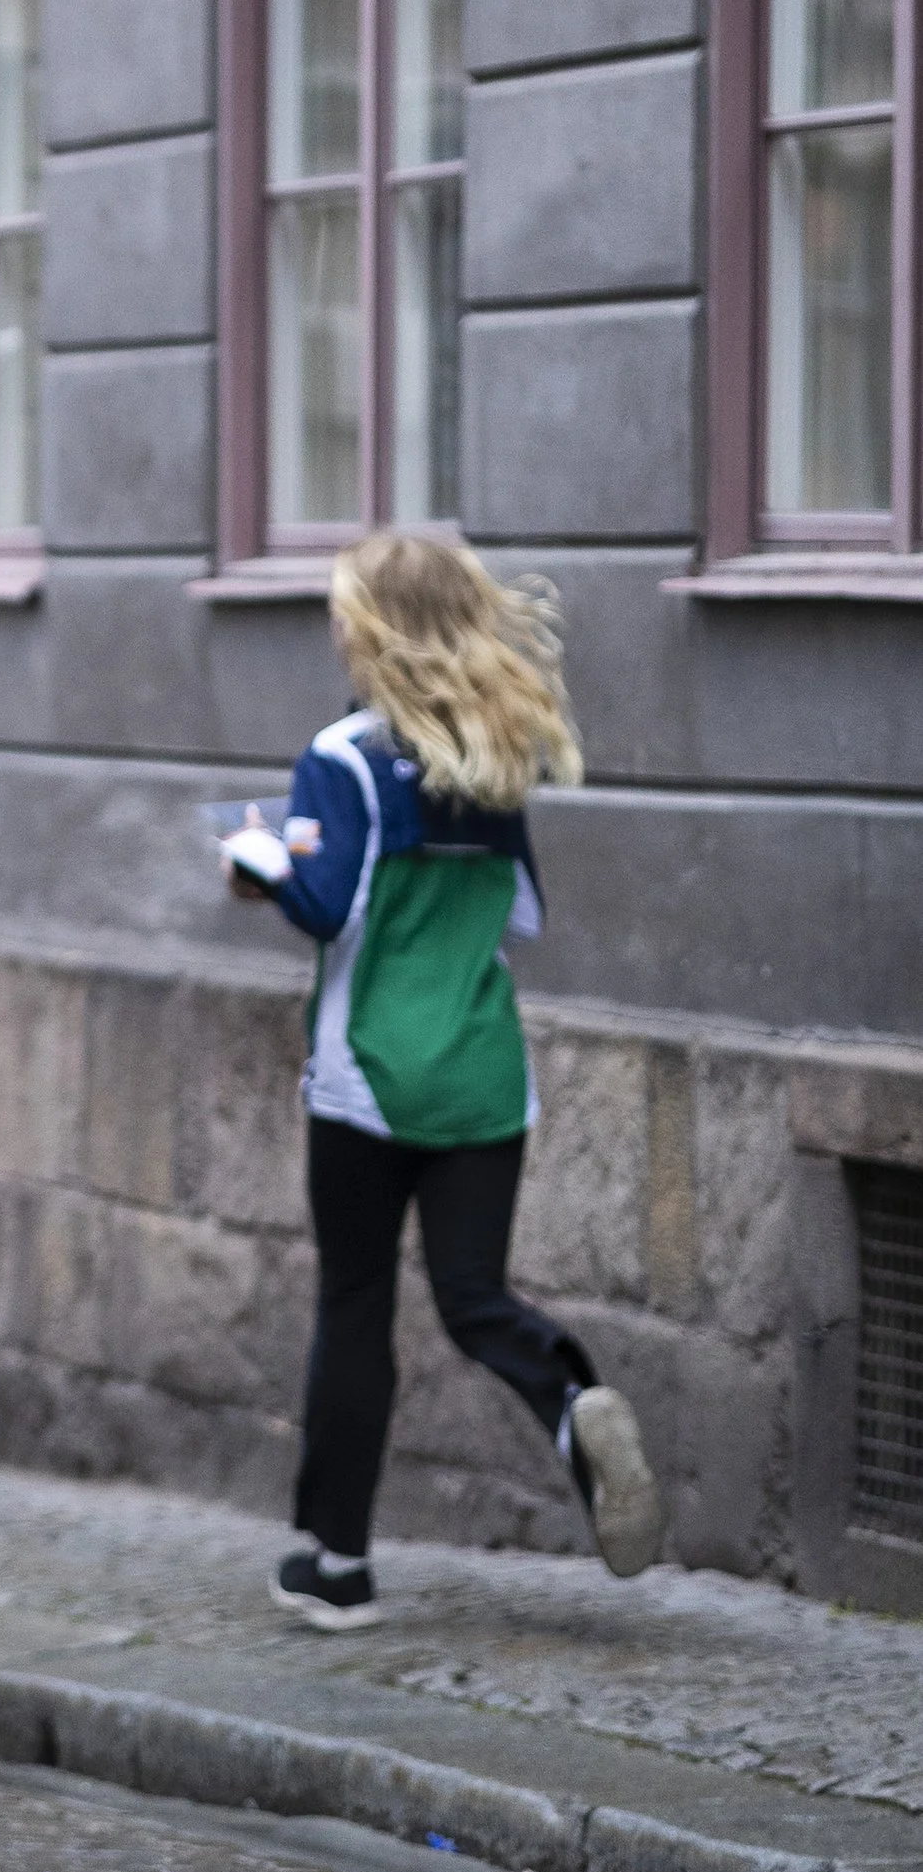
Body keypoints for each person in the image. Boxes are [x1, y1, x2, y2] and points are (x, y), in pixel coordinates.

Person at [223, 532, 661, 1629]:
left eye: (344, 606)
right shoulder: (498, 749)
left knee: (355, 1302)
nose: (334, 624)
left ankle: (337, 1565)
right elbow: (524, 916)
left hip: (369, 1076)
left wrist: (262, 862)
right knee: (474, 1297)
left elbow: (326, 908)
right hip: (482, 1071)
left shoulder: (343, 755)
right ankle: (571, 1401)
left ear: (374, 625)